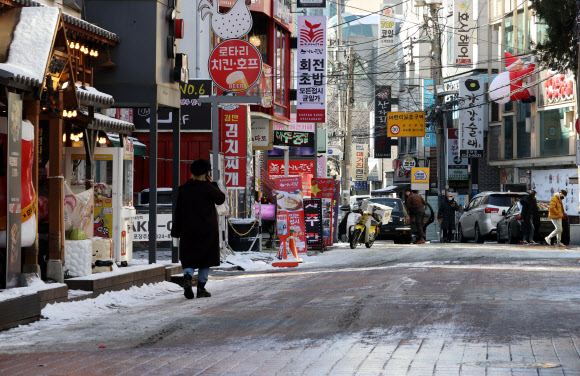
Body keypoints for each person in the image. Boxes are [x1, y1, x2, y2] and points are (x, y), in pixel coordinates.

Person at [171, 159, 226, 299]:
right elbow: (220, 199)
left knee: (189, 258)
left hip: (187, 229)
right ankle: (201, 288)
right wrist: (212, 183)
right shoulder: (208, 187)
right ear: (207, 173)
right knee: (205, 259)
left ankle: (188, 277)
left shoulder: (183, 189)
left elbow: (178, 211)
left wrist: (176, 231)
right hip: (207, 229)